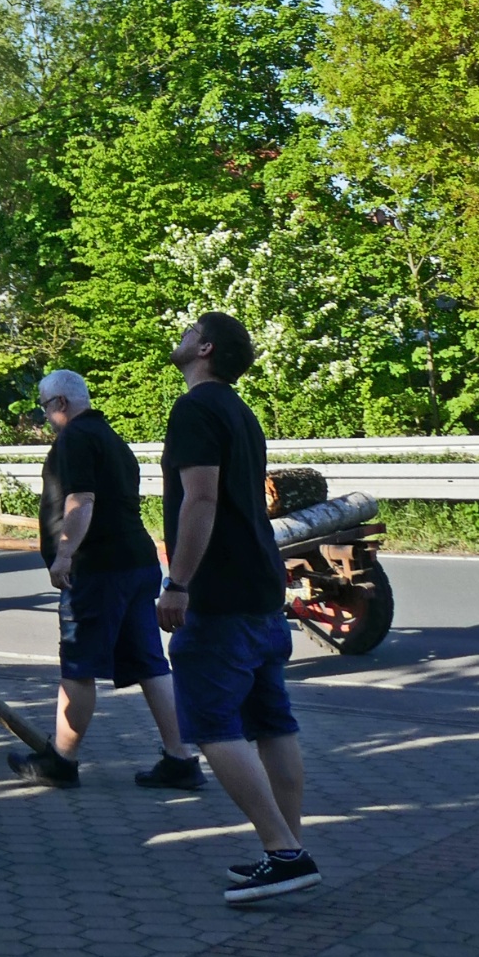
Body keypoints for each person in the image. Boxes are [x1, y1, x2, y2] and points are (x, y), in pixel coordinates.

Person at [158, 313, 318, 903]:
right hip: (260, 584)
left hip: (219, 594)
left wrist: (178, 583)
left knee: (209, 724)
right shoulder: (240, 411)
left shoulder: (195, 409)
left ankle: (284, 852)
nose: (180, 335)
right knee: (273, 722)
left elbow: (200, 499)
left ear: (204, 348)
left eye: (190, 329)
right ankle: (289, 851)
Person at [8, 369, 201, 792]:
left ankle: (62, 759)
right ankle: (181, 757)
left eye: (44, 409)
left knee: (78, 665)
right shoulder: (114, 440)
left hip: (98, 569)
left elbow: (82, 499)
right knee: (151, 663)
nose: (46, 418)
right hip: (137, 563)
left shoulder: (75, 438)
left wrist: (64, 554)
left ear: (60, 403)